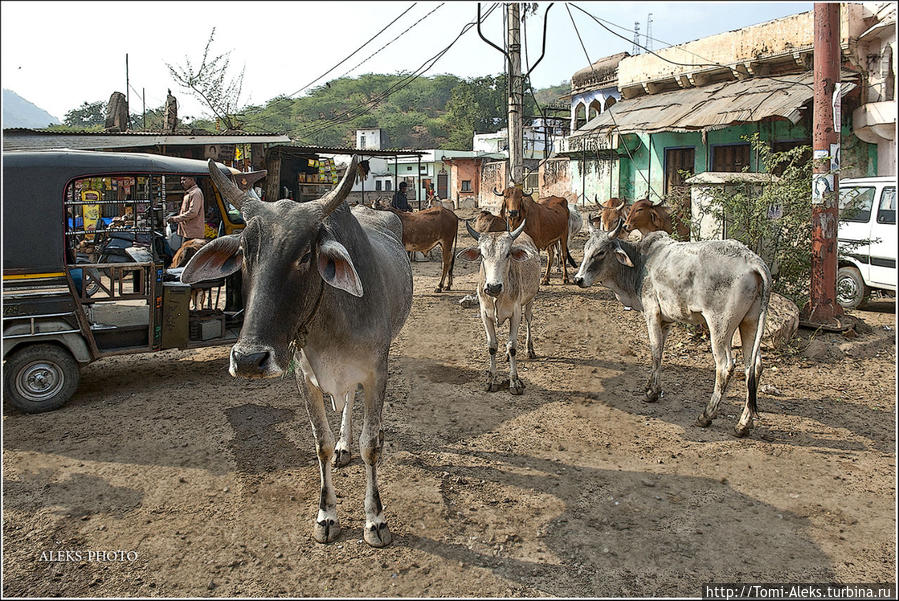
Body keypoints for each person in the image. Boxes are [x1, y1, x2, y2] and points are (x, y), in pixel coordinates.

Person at [168, 176, 206, 243]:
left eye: (184, 180)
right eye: (181, 180)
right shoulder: (190, 193)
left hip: (193, 233)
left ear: (191, 180)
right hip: (188, 232)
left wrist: (175, 219)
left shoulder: (195, 193)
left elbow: (193, 212)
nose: (182, 182)